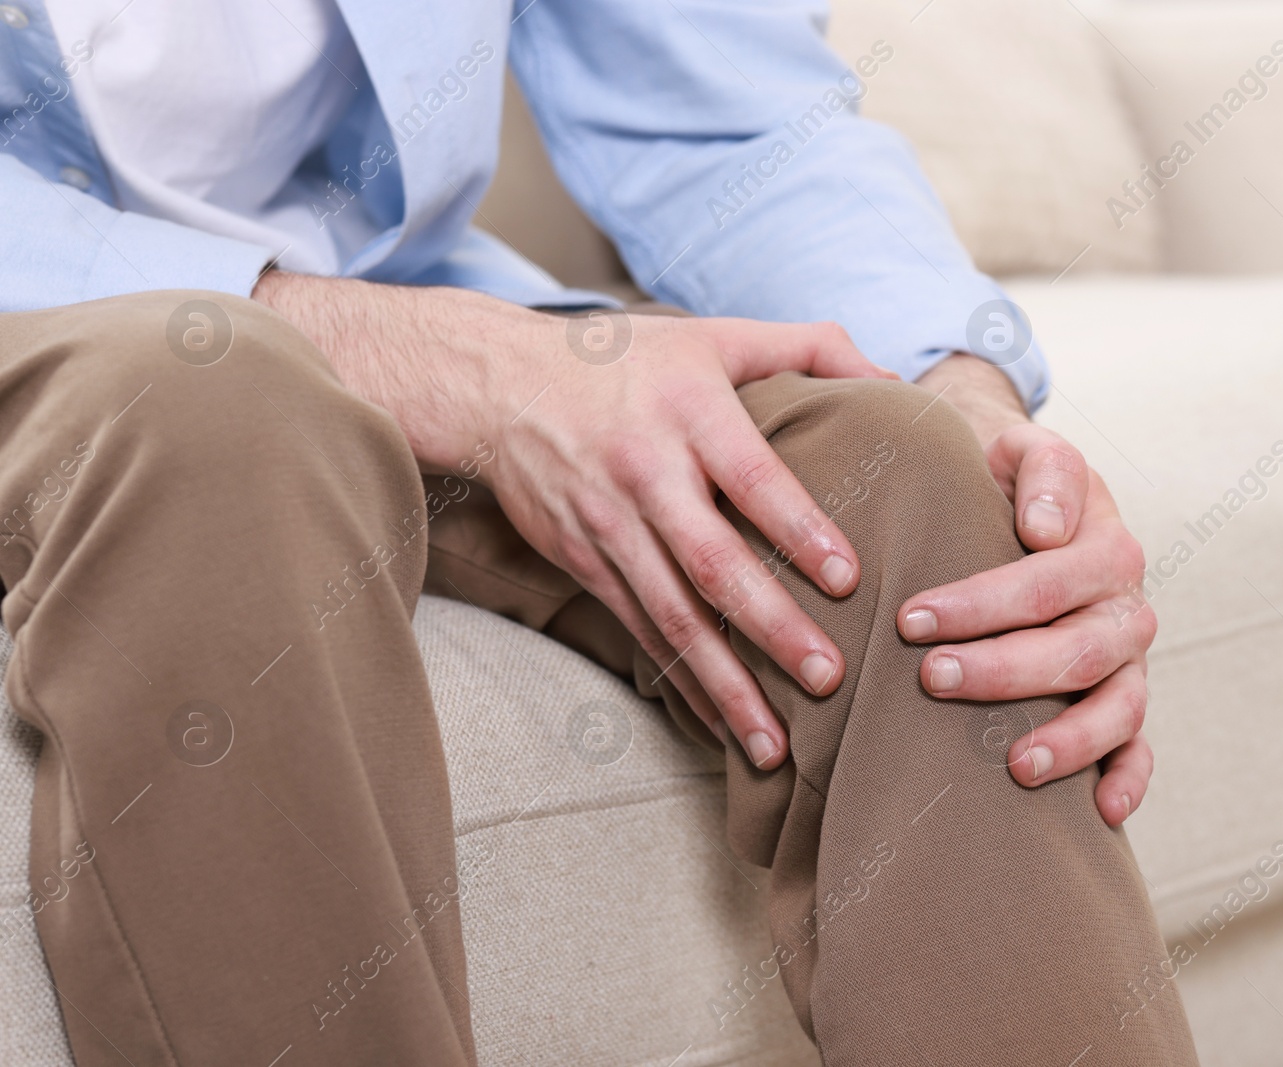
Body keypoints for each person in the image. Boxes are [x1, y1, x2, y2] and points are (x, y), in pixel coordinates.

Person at [0, 1, 1196, 1063]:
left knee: (912, 485)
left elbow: (724, 117)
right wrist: (430, 356)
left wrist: (962, 386)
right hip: (87, 331)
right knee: (213, 416)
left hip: (386, 302)